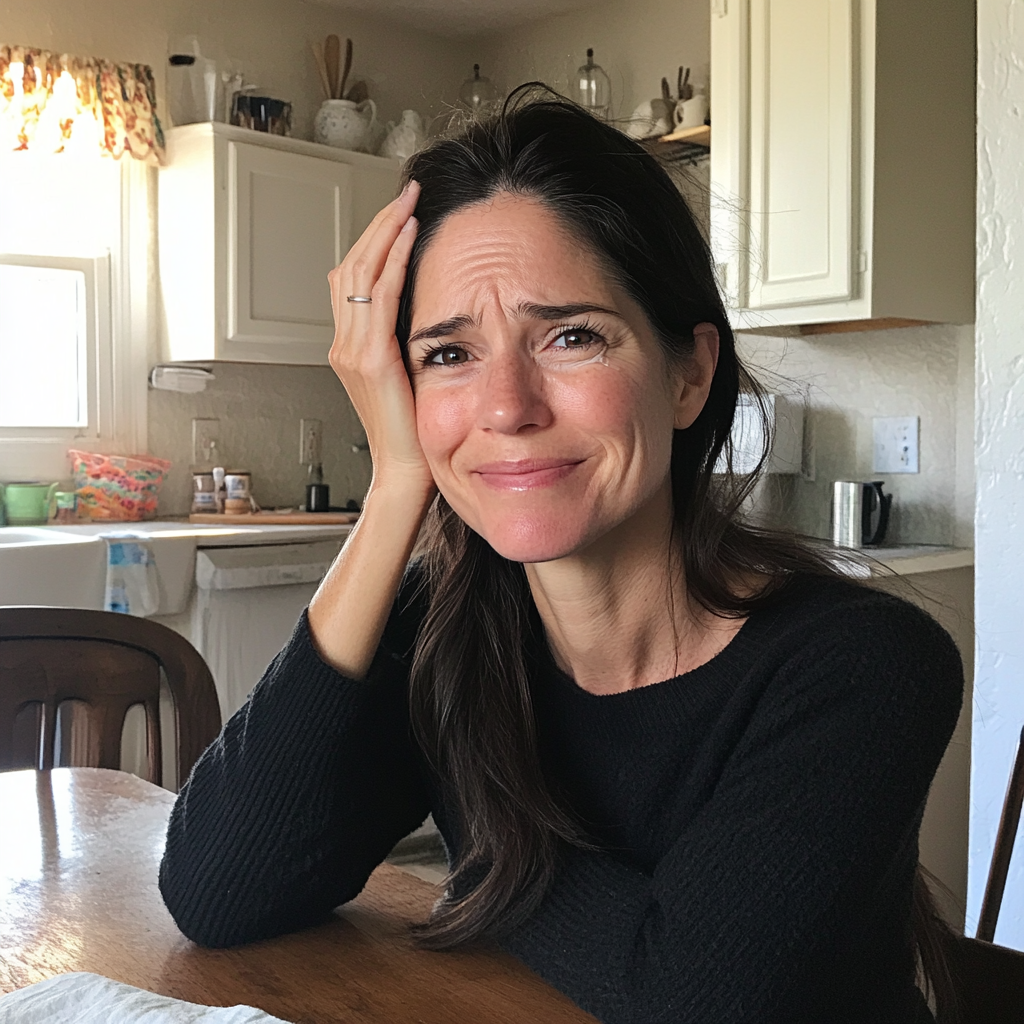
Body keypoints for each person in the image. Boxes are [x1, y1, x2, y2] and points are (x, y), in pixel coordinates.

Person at [159, 89, 963, 1023]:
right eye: (448, 355)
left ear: (690, 373)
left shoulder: (861, 666)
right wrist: (395, 487)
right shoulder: (442, 632)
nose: (508, 407)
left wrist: (479, 823)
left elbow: (691, 1003)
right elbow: (219, 890)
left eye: (571, 336)